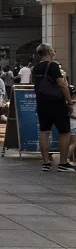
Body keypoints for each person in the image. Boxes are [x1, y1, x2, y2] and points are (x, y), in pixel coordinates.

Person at [33, 43, 75, 172]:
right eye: (52, 50)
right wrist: (70, 101)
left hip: (41, 103)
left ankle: (46, 163)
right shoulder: (53, 66)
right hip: (56, 103)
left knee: (44, 132)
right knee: (65, 132)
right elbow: (62, 85)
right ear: (49, 52)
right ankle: (63, 163)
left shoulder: (36, 68)